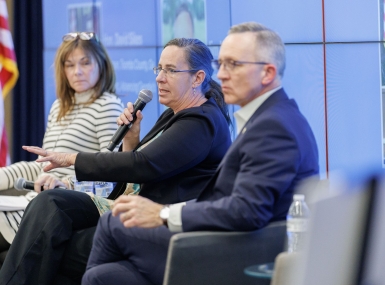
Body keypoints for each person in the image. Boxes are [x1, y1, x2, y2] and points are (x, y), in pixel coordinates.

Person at [75, 21, 319, 285]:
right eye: (221, 64)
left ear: (267, 73)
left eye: (233, 65)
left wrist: (163, 215)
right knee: (104, 276)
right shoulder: (272, 117)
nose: (222, 74)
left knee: (113, 224)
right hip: (224, 242)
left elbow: (247, 211)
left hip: (238, 256)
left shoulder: (274, 126)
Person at [0, 38, 232, 285]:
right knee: (50, 203)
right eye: (160, 68)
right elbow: (139, 169)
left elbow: (144, 165)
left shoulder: (202, 122)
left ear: (197, 78)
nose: (160, 78)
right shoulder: (174, 113)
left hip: (158, 225)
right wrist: (131, 139)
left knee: (51, 247)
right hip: (127, 207)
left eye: (171, 70)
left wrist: (70, 159)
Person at [0, 32, 124, 249]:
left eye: (85, 63)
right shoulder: (59, 106)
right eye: (69, 65)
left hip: (65, 204)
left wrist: (66, 184)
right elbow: (42, 167)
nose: (77, 72)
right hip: (36, 199)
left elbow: (111, 176)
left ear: (101, 65)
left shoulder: (108, 106)